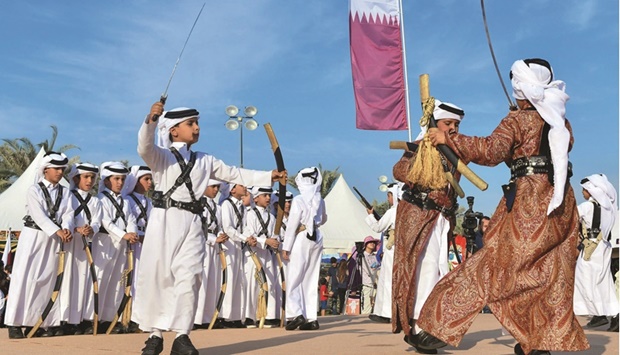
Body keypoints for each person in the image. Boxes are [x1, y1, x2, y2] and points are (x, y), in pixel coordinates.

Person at [418, 58, 590, 355]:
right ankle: (536, 344)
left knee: (489, 266)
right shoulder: (559, 121)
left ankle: (438, 328)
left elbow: (491, 150)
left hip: (528, 202)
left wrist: (449, 137)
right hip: (560, 203)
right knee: (547, 273)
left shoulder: (518, 120)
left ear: (520, 88)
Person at [135, 103, 283, 355]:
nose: (196, 128)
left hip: (193, 222)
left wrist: (269, 176)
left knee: (190, 276)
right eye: (190, 124)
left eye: (196, 123)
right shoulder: (161, 156)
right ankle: (155, 334)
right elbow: (144, 147)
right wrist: (150, 121)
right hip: (164, 220)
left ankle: (182, 335)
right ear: (173, 130)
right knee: (158, 275)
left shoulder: (205, 160)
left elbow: (235, 173)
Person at [390, 100, 464, 353]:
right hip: (418, 214)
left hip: (441, 219)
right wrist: (424, 167)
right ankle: (420, 327)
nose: (453, 128)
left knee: (438, 269)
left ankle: (424, 326)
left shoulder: (455, 153)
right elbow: (399, 171)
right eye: (448, 123)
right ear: (435, 124)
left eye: (456, 124)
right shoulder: (419, 146)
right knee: (423, 269)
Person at [5, 152, 74, 339]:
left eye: (62, 169)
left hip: (53, 241)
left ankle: (39, 323)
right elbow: (38, 215)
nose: (60, 172)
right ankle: (15, 323)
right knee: (26, 278)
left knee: (46, 280)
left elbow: (68, 213)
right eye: (56, 169)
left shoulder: (66, 192)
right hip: (34, 237)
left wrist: (66, 228)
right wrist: (57, 230)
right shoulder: (34, 190)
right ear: (46, 170)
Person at [92, 162, 138, 334]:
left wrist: (132, 232)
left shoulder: (125, 201)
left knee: (117, 281)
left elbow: (131, 219)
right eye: (116, 179)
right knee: (101, 278)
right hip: (105, 242)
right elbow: (105, 222)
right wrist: (123, 234)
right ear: (106, 180)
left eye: (122, 179)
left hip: (122, 243)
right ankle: (94, 318)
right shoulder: (101, 200)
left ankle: (109, 319)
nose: (120, 182)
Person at [283, 167, 327, 331]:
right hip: (317, 237)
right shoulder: (320, 199)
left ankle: (295, 314)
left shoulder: (299, 200)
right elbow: (323, 219)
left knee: (294, 276)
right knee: (311, 277)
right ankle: (311, 318)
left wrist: (286, 247)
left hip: (302, 237)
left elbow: (292, 225)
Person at [573, 174, 619, 332]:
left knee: (584, 280)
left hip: (591, 249)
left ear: (591, 191)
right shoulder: (609, 209)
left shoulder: (587, 207)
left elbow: (570, 219)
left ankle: (606, 314)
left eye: (584, 190)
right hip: (604, 247)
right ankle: (605, 315)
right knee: (604, 283)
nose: (583, 193)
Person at [63, 163, 103, 335]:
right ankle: (64, 321)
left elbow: (97, 220)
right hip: (69, 243)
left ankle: (78, 320)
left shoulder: (95, 201)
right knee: (66, 282)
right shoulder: (67, 197)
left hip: (85, 246)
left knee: (82, 282)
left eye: (92, 177)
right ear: (76, 178)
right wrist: (75, 229)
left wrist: (91, 229)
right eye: (86, 177)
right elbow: (65, 216)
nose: (89, 180)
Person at [122, 165, 153, 333]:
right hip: (133, 244)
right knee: (131, 281)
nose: (150, 182)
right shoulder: (127, 200)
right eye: (146, 179)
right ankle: (129, 318)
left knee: (144, 281)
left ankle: (141, 317)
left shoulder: (149, 202)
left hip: (146, 244)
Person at [194, 179, 228, 329]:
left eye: (218, 187)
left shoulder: (217, 207)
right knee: (202, 282)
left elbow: (219, 226)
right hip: (203, 245)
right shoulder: (198, 203)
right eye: (213, 186)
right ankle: (196, 318)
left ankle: (208, 318)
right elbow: (198, 228)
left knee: (213, 283)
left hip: (215, 247)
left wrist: (221, 235)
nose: (215, 190)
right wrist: (214, 238)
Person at [366, 182, 401, 323]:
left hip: (392, 249)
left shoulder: (393, 211)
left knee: (388, 281)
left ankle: (386, 313)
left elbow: (378, 227)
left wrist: (370, 216)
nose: (388, 199)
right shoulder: (407, 210)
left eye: (389, 195)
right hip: (402, 250)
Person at [219, 183, 253, 329]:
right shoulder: (226, 205)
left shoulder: (242, 207)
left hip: (238, 245)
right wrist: (244, 238)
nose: (245, 187)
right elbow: (228, 227)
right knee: (230, 279)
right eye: (241, 185)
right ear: (232, 189)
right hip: (229, 245)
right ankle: (225, 316)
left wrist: (248, 237)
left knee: (239, 280)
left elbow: (244, 226)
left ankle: (236, 316)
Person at [359, 236, 379, 315]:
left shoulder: (374, 256)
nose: (372, 244)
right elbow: (367, 270)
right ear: (366, 244)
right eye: (370, 242)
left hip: (375, 284)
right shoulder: (362, 256)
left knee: (375, 306)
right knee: (367, 305)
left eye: (374, 243)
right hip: (367, 283)